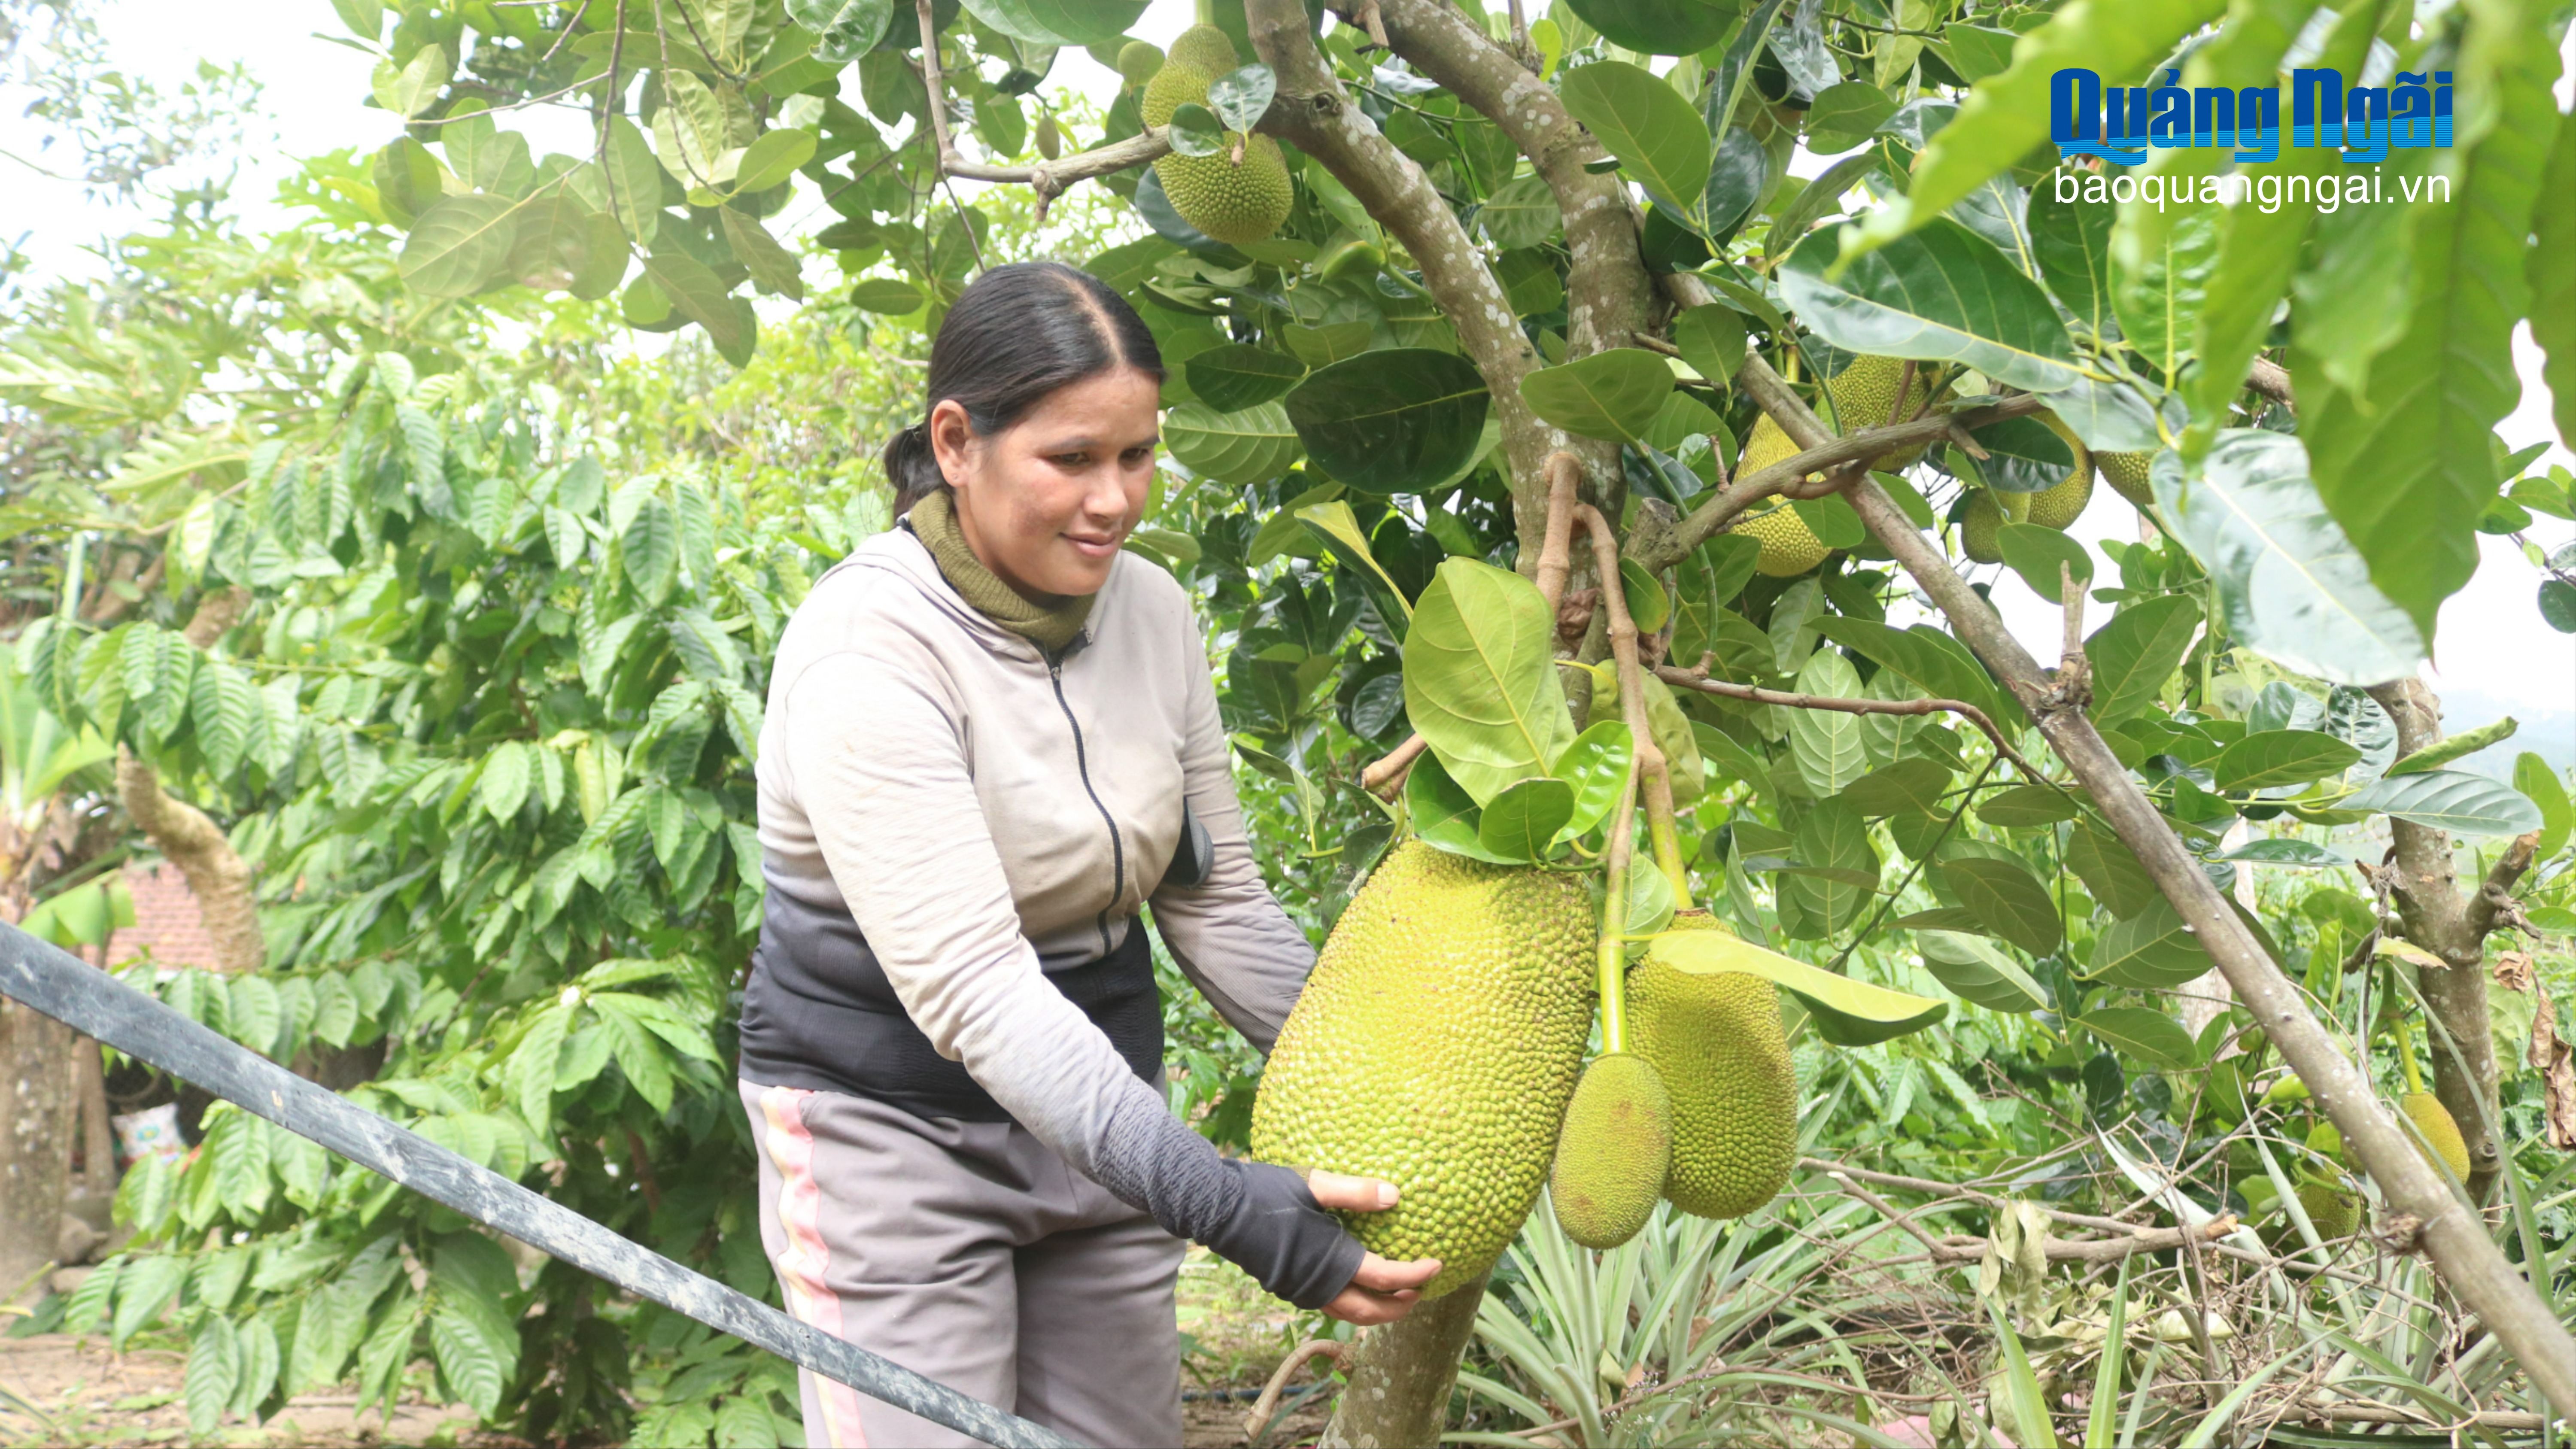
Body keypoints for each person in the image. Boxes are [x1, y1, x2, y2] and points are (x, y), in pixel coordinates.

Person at [735, 261, 1440, 1448]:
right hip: (889, 1135)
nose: (1114, 500)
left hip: (1103, 1116)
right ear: (956, 443)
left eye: (1138, 457)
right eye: (1071, 459)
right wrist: (1232, 1208)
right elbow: (978, 995)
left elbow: (1218, 908)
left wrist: (1406, 1087)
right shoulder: (867, 651)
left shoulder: (1153, 613)